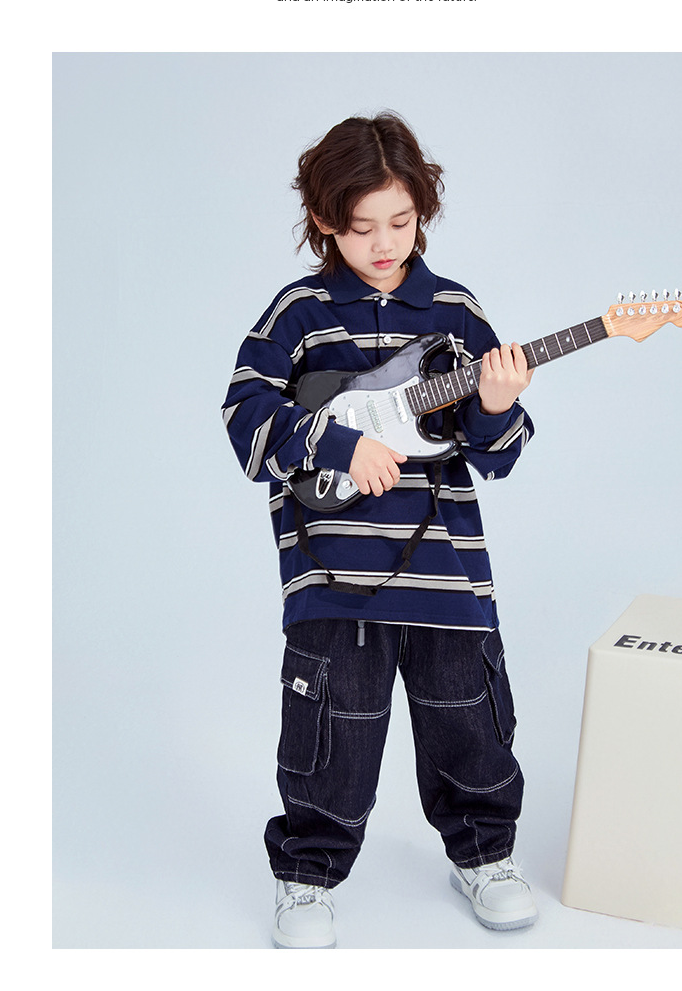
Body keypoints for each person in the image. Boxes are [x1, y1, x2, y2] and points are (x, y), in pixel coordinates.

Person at [222, 112, 538, 948]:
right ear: (324, 219)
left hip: (446, 573)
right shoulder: (299, 313)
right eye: (362, 226)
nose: (385, 243)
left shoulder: (455, 312)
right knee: (334, 731)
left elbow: (500, 454)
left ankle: (487, 855)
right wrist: (339, 443)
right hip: (333, 575)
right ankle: (307, 875)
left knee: (467, 722)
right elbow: (245, 419)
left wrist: (494, 404)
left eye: (401, 221)